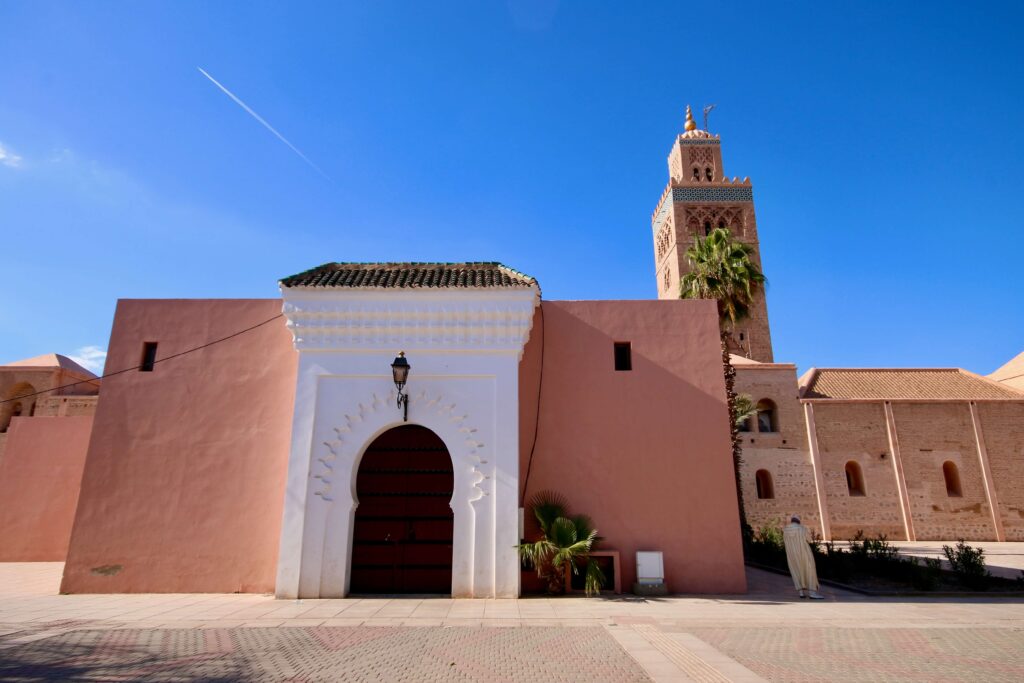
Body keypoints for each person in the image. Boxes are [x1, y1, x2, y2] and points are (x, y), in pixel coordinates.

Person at [783, 516, 824, 599]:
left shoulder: (785, 530)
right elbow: (809, 540)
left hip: (792, 555)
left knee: (796, 571)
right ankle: (812, 593)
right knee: (809, 570)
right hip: (804, 553)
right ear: (798, 521)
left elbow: (785, 542)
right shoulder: (802, 528)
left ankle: (801, 593)